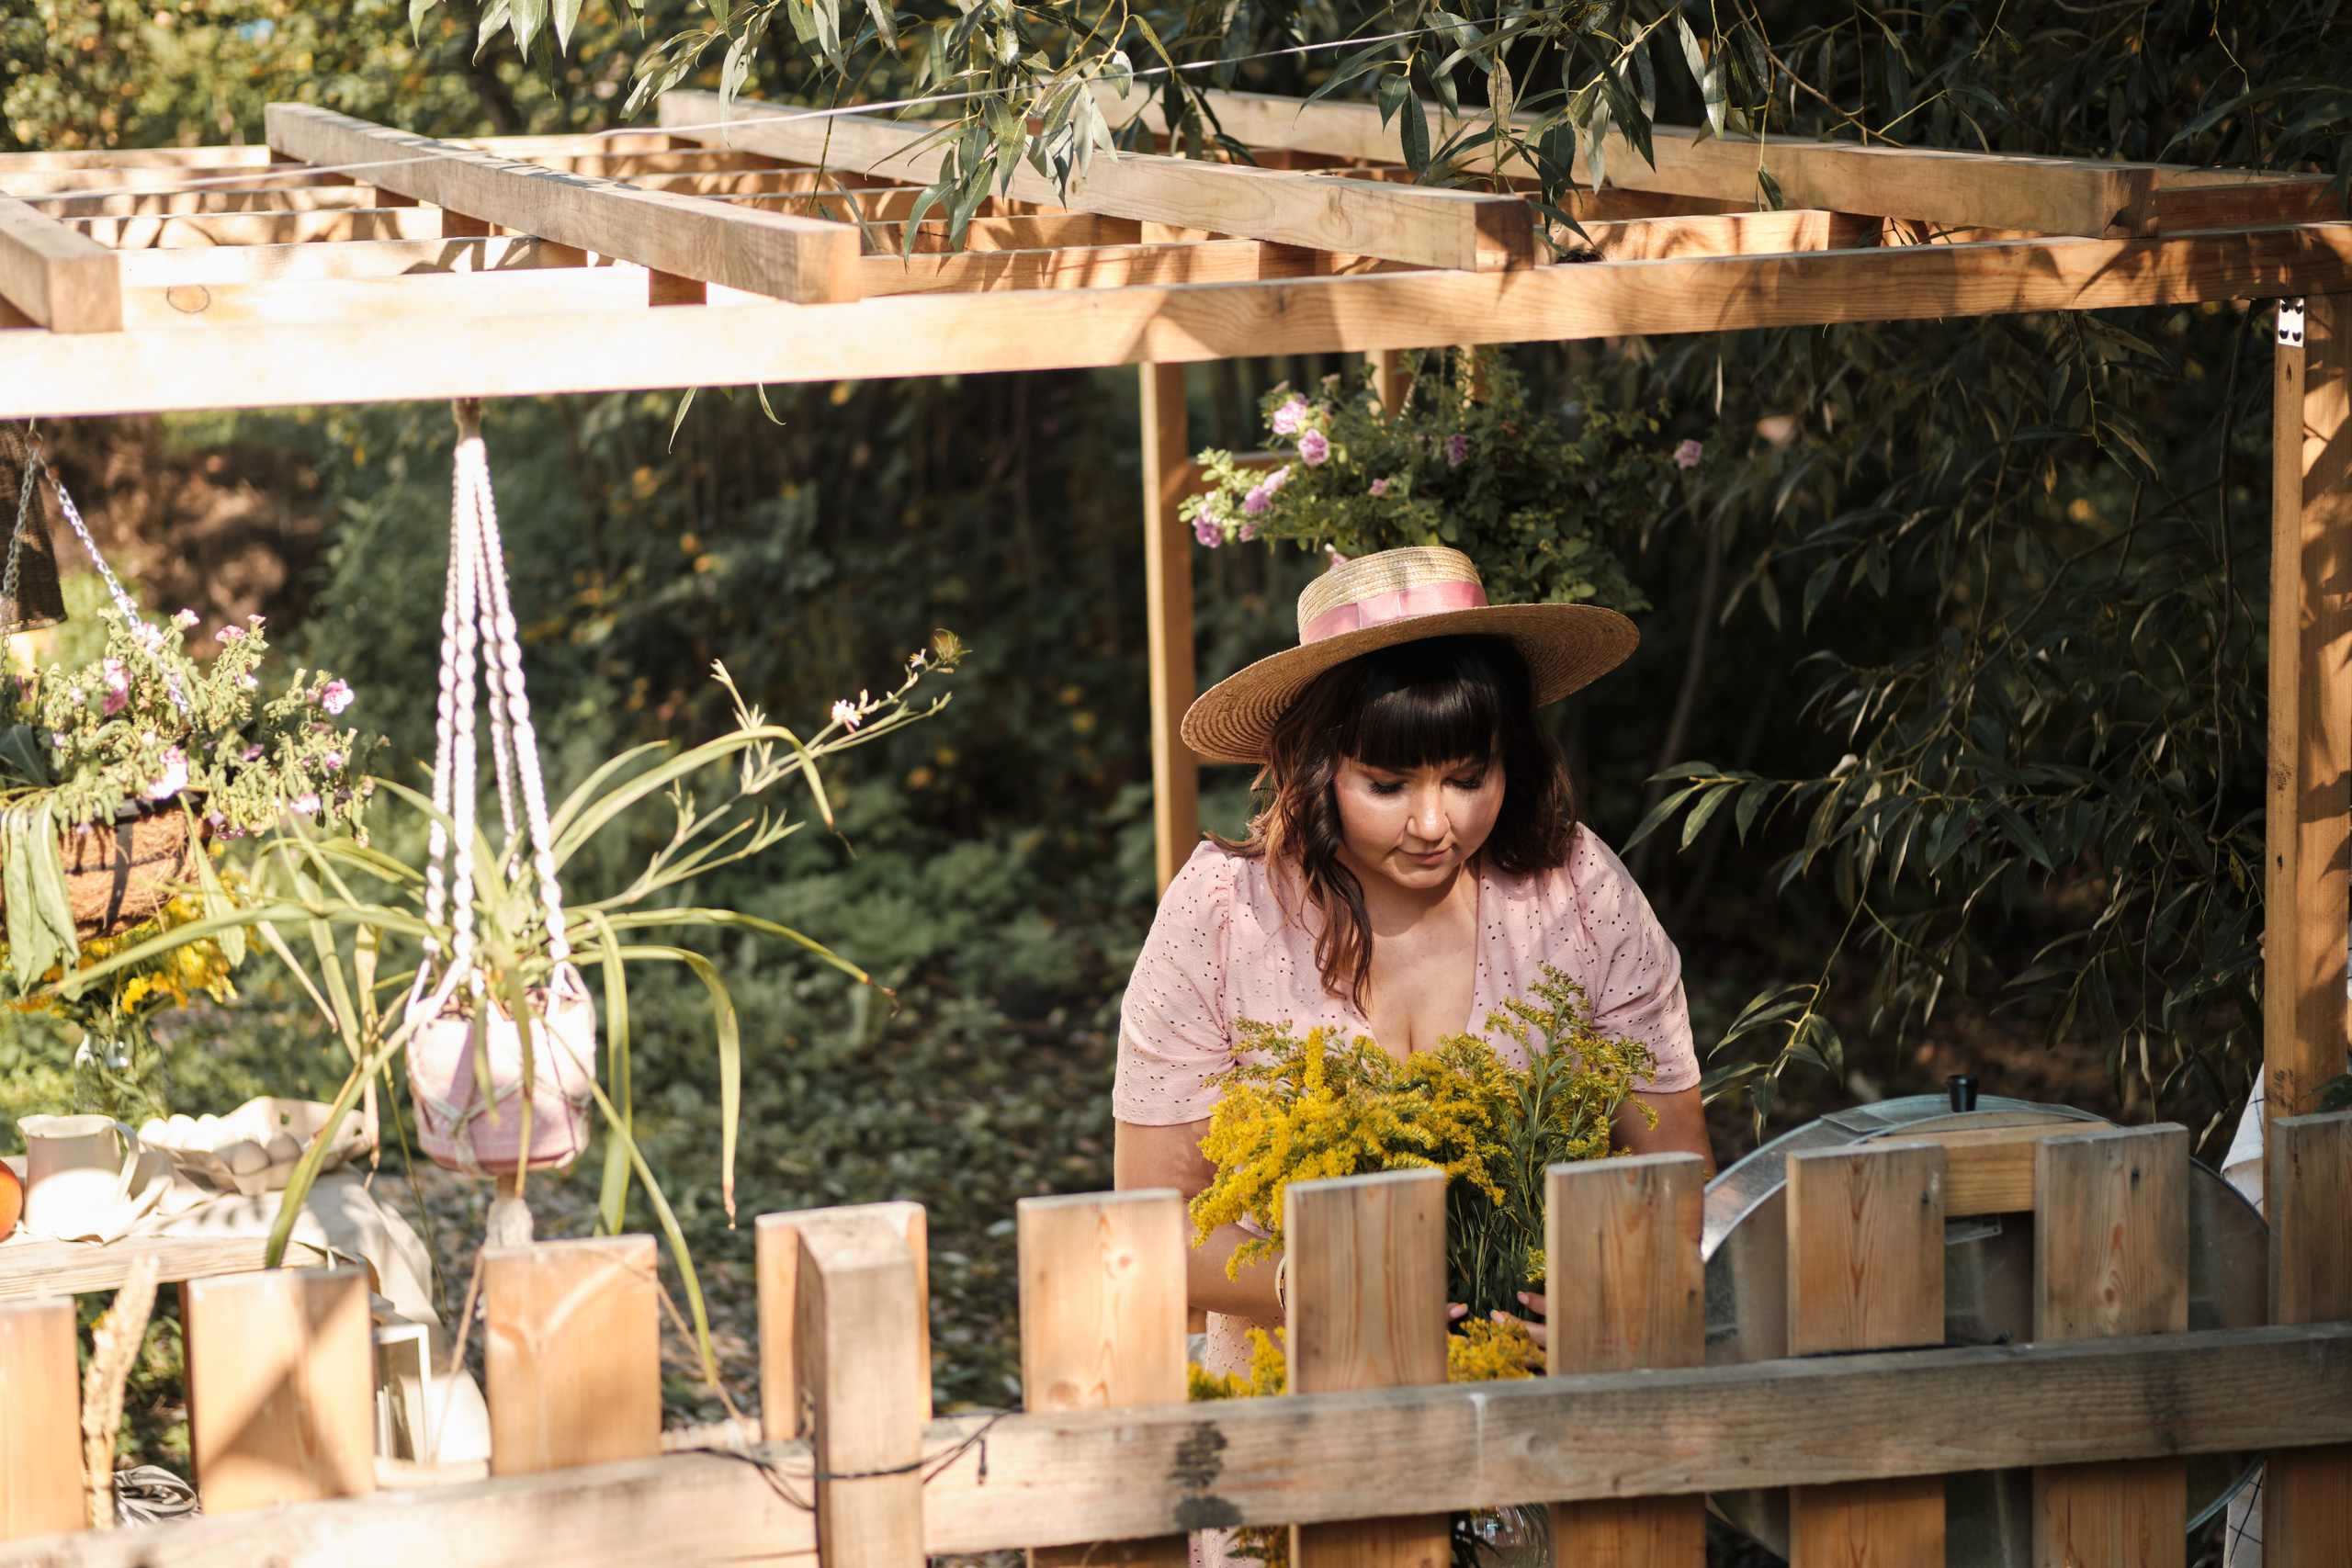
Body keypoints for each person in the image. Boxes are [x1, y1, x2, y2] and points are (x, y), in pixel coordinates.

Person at [1113, 544, 1713, 1387]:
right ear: (1316, 768)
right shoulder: (1223, 913)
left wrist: (1619, 1287)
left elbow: (1674, 1172)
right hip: (1297, 1416)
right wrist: (1306, 1282)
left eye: (1469, 776)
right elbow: (1154, 1219)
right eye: (1388, 784)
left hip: (1548, 1415)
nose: (1436, 823)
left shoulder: (1575, 890)